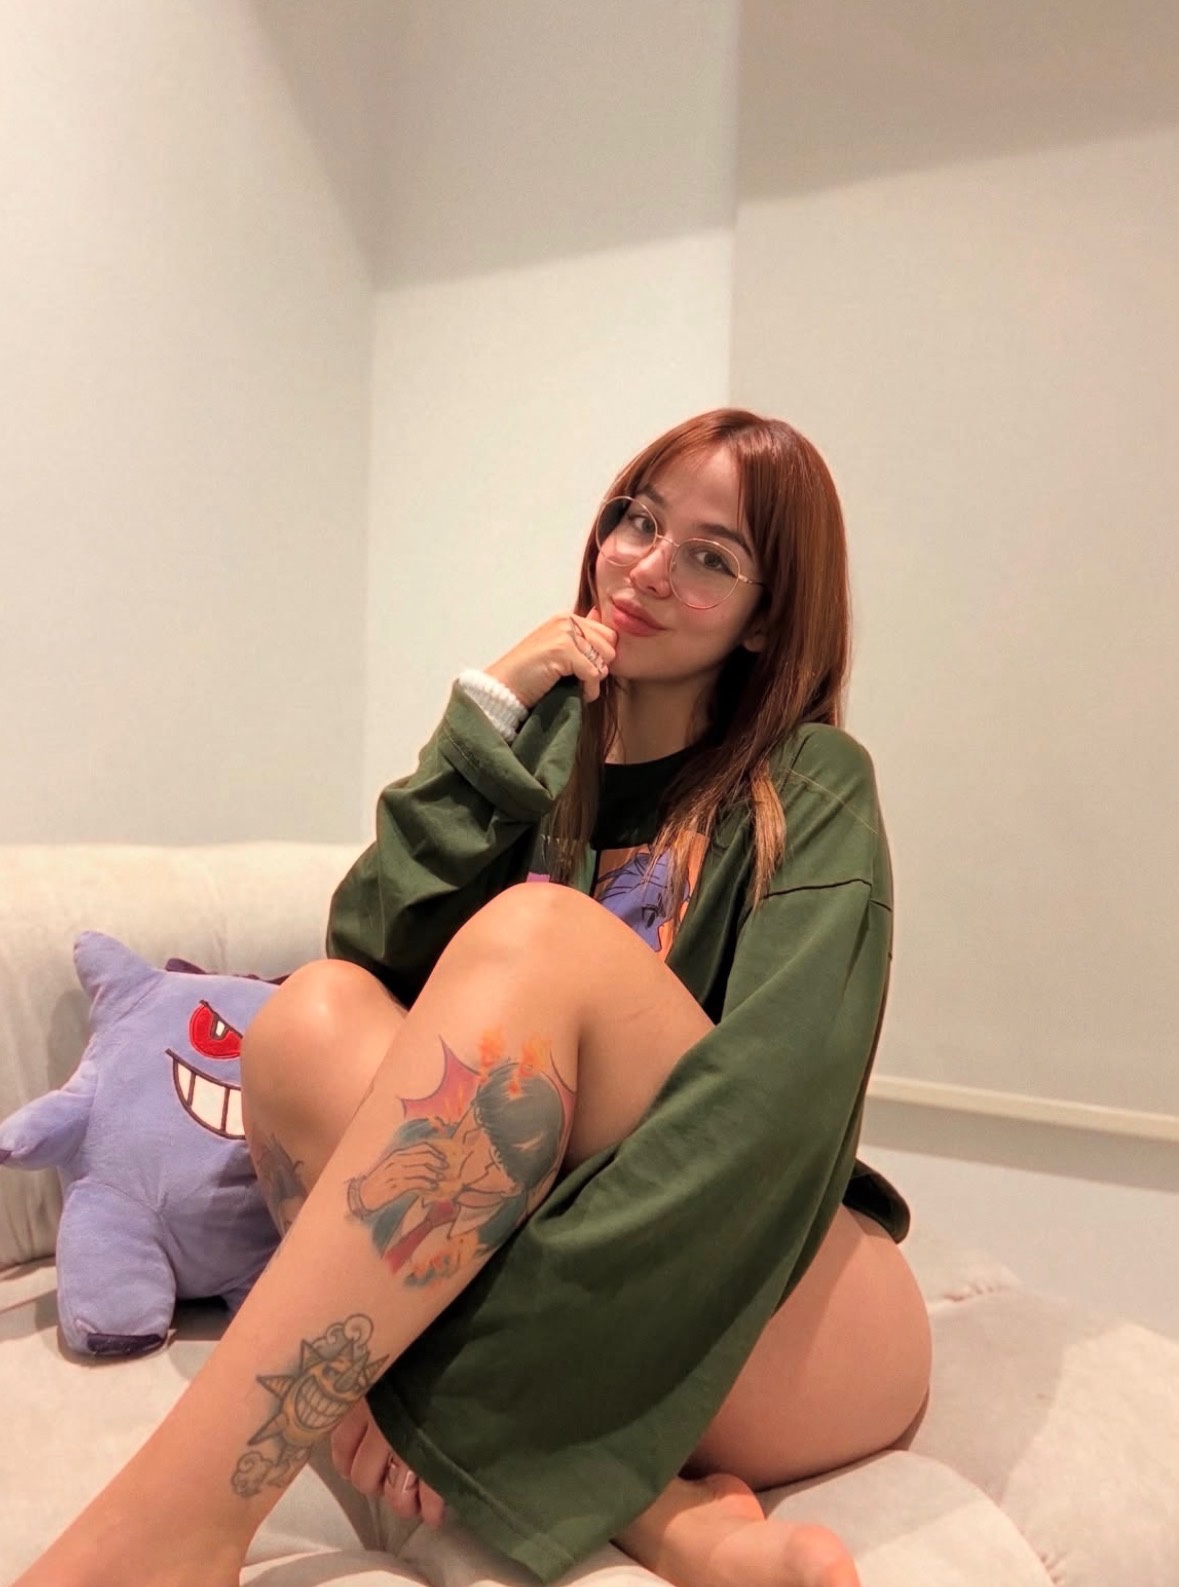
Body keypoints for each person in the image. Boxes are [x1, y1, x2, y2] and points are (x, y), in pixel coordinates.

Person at [15, 409, 930, 1587]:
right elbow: (371, 947)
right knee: (307, 1017)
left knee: (542, 937)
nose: (648, 567)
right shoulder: (542, 762)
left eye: (710, 556)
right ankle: (667, 1519)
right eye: (637, 521)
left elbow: (774, 1119)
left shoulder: (810, 784)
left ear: (766, 619)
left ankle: (178, 1527)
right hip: (576, 1298)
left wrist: (387, 1380)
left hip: (777, 1299)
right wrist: (489, 719)